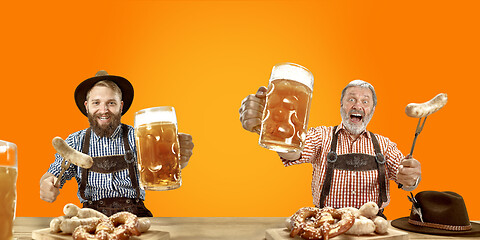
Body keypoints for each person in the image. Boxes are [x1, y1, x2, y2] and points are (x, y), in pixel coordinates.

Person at [239, 79, 421, 217]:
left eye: (365, 101)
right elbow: (293, 152)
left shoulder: (385, 145)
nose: (358, 105)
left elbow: (405, 178)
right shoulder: (321, 136)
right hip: (326, 222)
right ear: (341, 105)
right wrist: (272, 126)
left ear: (372, 109)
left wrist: (411, 177)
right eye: (351, 99)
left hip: (373, 226)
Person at [39, 70, 194, 217]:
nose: (103, 110)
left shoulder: (139, 137)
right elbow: (52, 174)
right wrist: (47, 184)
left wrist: (175, 160)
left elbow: (158, 166)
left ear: (121, 105)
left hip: (135, 215)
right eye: (96, 103)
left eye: (111, 103)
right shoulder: (75, 141)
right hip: (90, 217)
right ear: (87, 106)